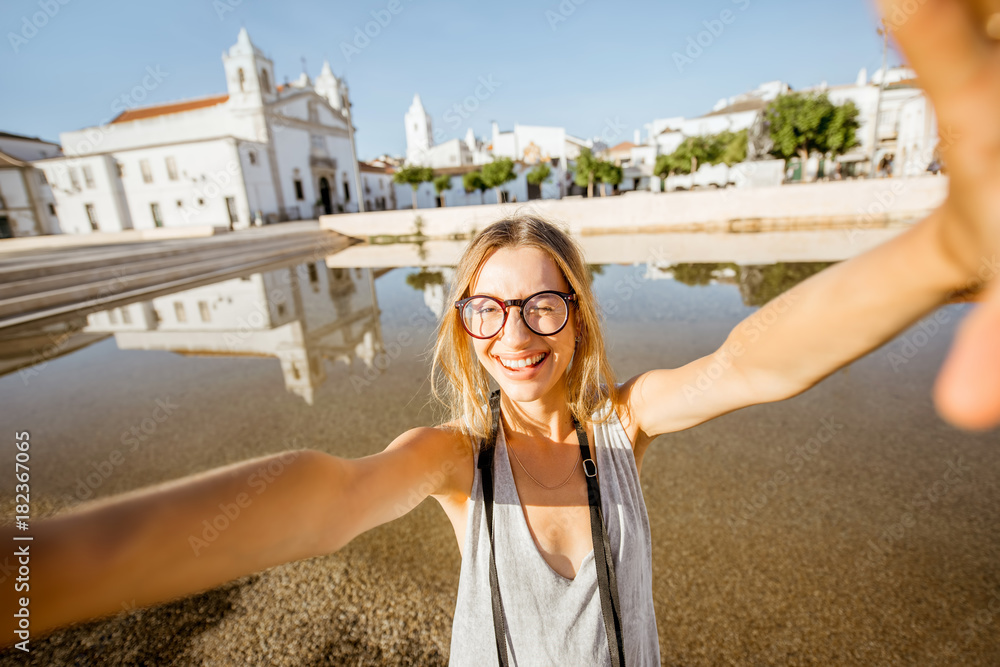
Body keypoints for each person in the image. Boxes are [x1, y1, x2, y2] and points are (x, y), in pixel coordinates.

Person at [5, 0, 1000, 662]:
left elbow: (752, 363)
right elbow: (326, 498)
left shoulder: (623, 426)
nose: (516, 335)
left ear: (576, 315)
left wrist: (947, 249)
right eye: (486, 307)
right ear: (461, 326)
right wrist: (33, 569)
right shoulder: (454, 459)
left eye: (541, 304)